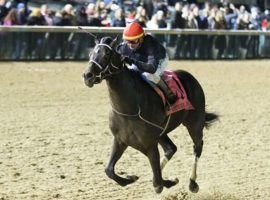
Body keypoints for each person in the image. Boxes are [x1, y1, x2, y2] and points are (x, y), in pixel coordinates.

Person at [117, 22, 177, 105]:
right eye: (128, 41)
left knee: (149, 75)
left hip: (159, 60)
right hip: (140, 60)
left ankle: (169, 93)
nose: (130, 45)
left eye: (133, 41)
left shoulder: (150, 44)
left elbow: (152, 69)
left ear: (141, 39)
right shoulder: (124, 47)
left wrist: (132, 61)